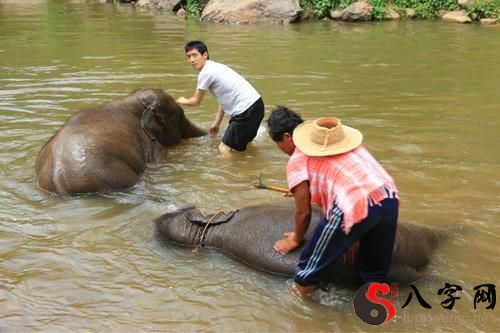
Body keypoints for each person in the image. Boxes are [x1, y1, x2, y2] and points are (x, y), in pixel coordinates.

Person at [267, 106, 399, 296]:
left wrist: (296, 238)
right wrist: (355, 231)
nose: (279, 148)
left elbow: (303, 211)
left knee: (306, 273)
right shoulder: (352, 147)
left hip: (354, 205)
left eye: (276, 142)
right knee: (375, 275)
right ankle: (382, 318)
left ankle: (298, 309)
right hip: (387, 196)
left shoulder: (297, 159)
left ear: (287, 137)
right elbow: (351, 181)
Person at [176, 40, 265, 155]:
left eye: (195, 55)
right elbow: (224, 99)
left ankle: (231, 172)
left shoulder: (205, 73)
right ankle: (253, 165)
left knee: (223, 148)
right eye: (189, 56)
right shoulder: (216, 67)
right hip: (257, 105)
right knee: (246, 143)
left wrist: (179, 100)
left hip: (245, 111)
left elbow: (195, 101)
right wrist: (216, 123)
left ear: (205, 55)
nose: (192, 60)